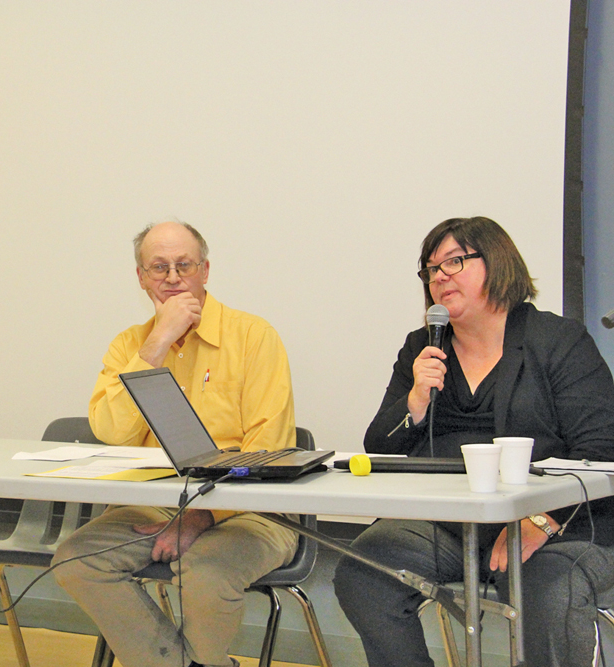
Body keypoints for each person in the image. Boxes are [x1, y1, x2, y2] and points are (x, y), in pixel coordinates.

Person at [333, 217, 614, 667]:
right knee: (366, 571)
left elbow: (601, 450)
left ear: (497, 262)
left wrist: (542, 520)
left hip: (560, 525)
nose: (439, 277)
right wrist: (415, 400)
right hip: (449, 523)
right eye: (431, 269)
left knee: (547, 586)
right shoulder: (422, 347)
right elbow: (379, 447)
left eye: (454, 262)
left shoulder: (557, 340)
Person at [52, 221, 299, 667]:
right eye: (159, 267)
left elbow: (268, 449)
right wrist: (157, 344)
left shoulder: (254, 336)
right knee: (76, 560)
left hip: (253, 509)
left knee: (205, 571)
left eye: (184, 265)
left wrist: (200, 515)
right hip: (156, 506)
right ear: (141, 278)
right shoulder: (130, 344)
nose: (172, 278)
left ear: (205, 271)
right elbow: (112, 431)